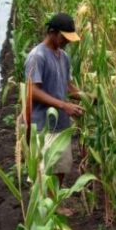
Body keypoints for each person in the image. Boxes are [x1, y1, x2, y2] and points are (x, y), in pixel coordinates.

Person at [24, 12, 84, 189]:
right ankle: (43, 208)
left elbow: (66, 85)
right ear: (52, 32)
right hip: (43, 125)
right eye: (64, 37)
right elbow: (32, 91)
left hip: (62, 124)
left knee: (61, 166)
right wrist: (64, 105)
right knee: (44, 170)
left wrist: (87, 98)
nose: (67, 42)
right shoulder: (37, 56)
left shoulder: (63, 57)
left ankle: (54, 202)